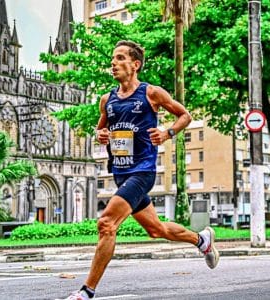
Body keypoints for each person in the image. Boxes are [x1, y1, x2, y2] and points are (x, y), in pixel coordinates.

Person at [63, 40, 219, 300]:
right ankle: (202, 240)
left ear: (135, 65)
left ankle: (86, 291)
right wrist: (101, 135)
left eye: (120, 58)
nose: (114, 63)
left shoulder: (151, 93)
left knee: (106, 224)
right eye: (113, 58)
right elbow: (101, 129)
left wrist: (166, 132)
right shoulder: (107, 100)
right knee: (156, 230)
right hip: (121, 173)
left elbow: (185, 115)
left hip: (143, 171)